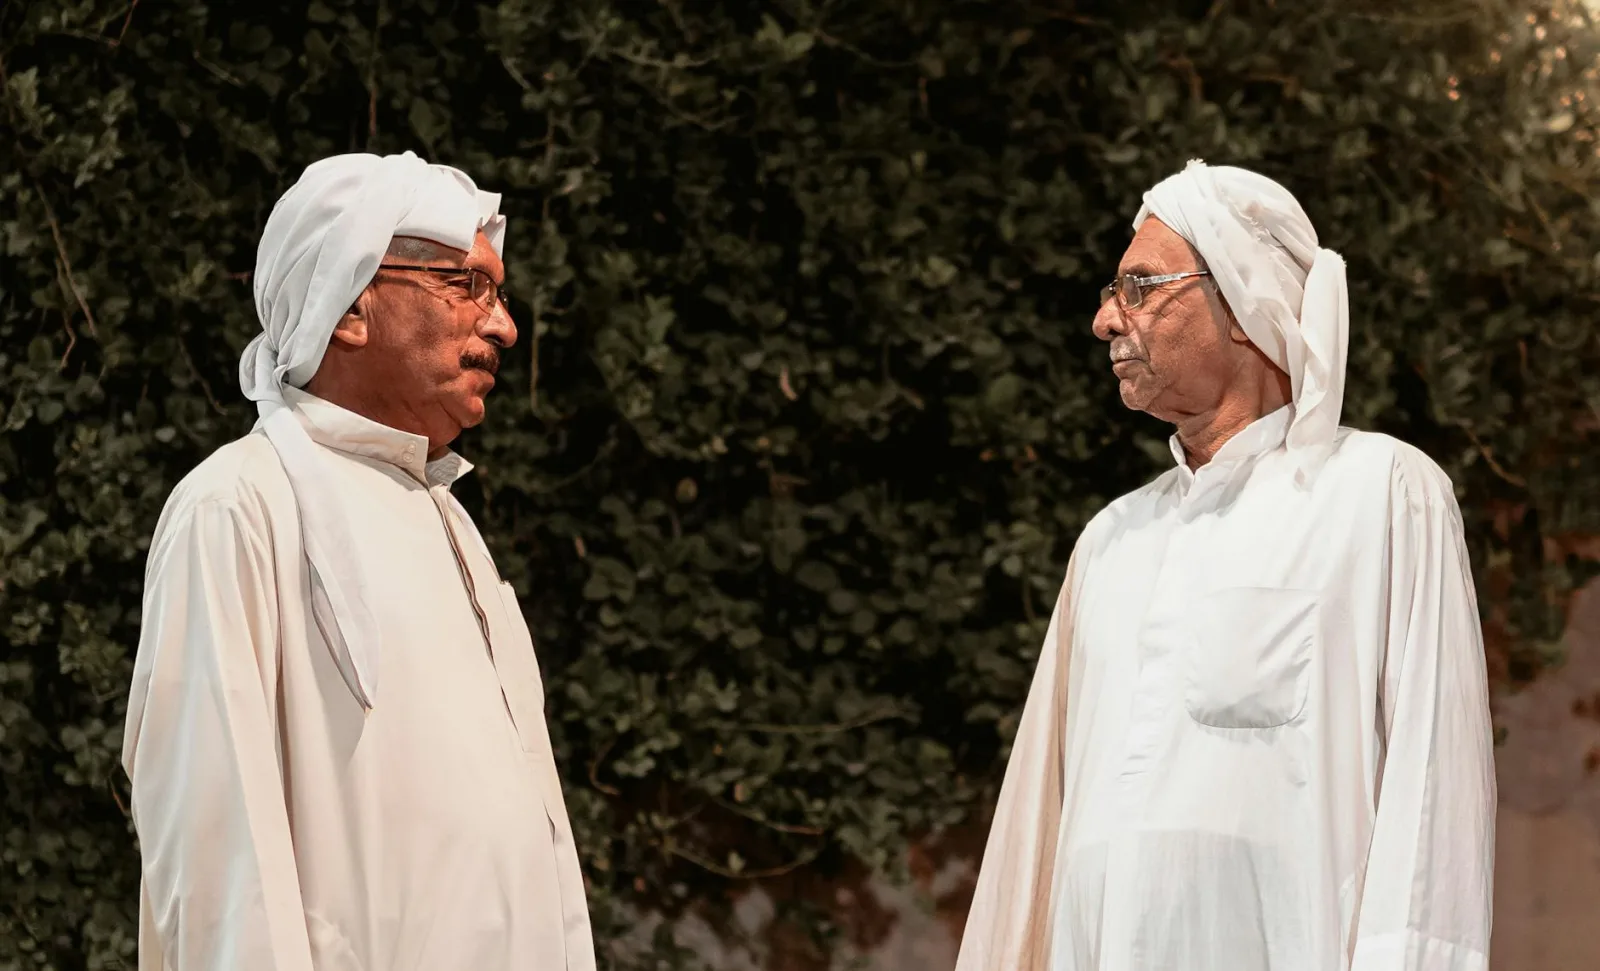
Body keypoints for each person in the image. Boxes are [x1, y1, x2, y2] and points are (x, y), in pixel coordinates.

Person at [954, 160, 1496, 971]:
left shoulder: (1380, 494)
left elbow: (1435, 804)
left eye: (1138, 287)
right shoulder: (1111, 540)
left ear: (1244, 304)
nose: (1106, 318)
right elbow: (1036, 831)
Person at [121, 151, 595, 970]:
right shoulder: (238, 505)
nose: (504, 325)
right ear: (351, 306)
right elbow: (216, 864)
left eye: (500, 292)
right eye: (467, 286)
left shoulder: (452, 526)